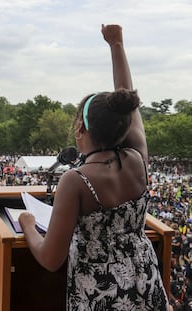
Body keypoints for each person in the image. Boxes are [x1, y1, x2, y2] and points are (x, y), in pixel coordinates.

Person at [18, 24, 170, 310]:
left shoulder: (76, 180)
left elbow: (51, 259)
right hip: (145, 280)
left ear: (80, 129)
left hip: (100, 294)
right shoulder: (138, 158)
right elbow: (128, 102)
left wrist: (27, 225)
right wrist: (116, 45)